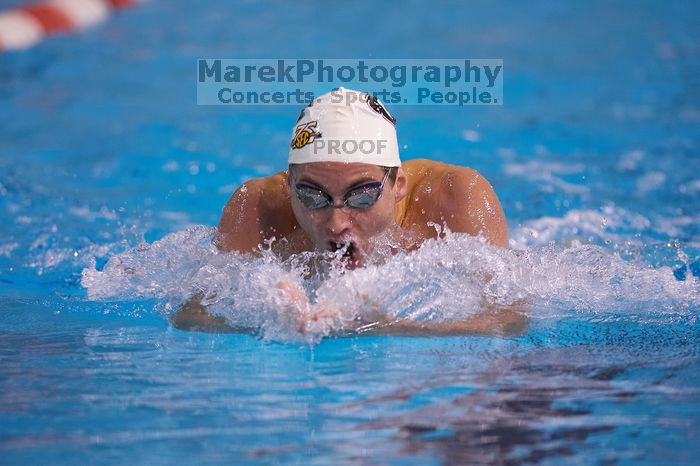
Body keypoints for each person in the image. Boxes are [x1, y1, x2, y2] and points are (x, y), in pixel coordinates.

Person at [172, 87, 525, 336]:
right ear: (289, 186)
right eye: (313, 197)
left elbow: (507, 322)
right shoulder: (256, 208)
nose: (337, 223)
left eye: (361, 196)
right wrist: (264, 315)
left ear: (398, 184)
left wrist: (383, 324)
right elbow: (190, 316)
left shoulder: (455, 199)